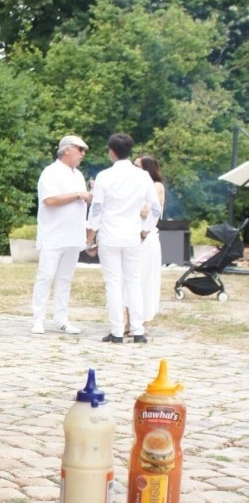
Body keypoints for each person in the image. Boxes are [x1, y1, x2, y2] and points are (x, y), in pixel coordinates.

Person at [86, 132, 160, 344]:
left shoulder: (104, 176)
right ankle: (138, 331)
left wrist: (90, 239)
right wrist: (145, 231)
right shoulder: (143, 176)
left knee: (113, 284)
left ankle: (117, 331)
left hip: (110, 235)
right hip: (132, 236)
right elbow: (156, 208)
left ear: (111, 152)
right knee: (134, 283)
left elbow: (96, 210)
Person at [31, 134, 91, 335]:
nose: (82, 154)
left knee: (65, 279)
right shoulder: (51, 172)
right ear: (67, 150)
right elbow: (50, 200)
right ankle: (38, 319)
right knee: (45, 276)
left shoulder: (78, 175)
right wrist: (78, 195)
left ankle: (61, 318)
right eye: (79, 150)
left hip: (73, 235)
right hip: (54, 235)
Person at [132, 154, 166, 335]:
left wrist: (129, 205)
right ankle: (129, 320)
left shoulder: (156, 186)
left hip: (146, 236)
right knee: (130, 279)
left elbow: (152, 211)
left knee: (144, 279)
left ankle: (143, 321)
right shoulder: (134, 186)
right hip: (132, 235)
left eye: (137, 166)